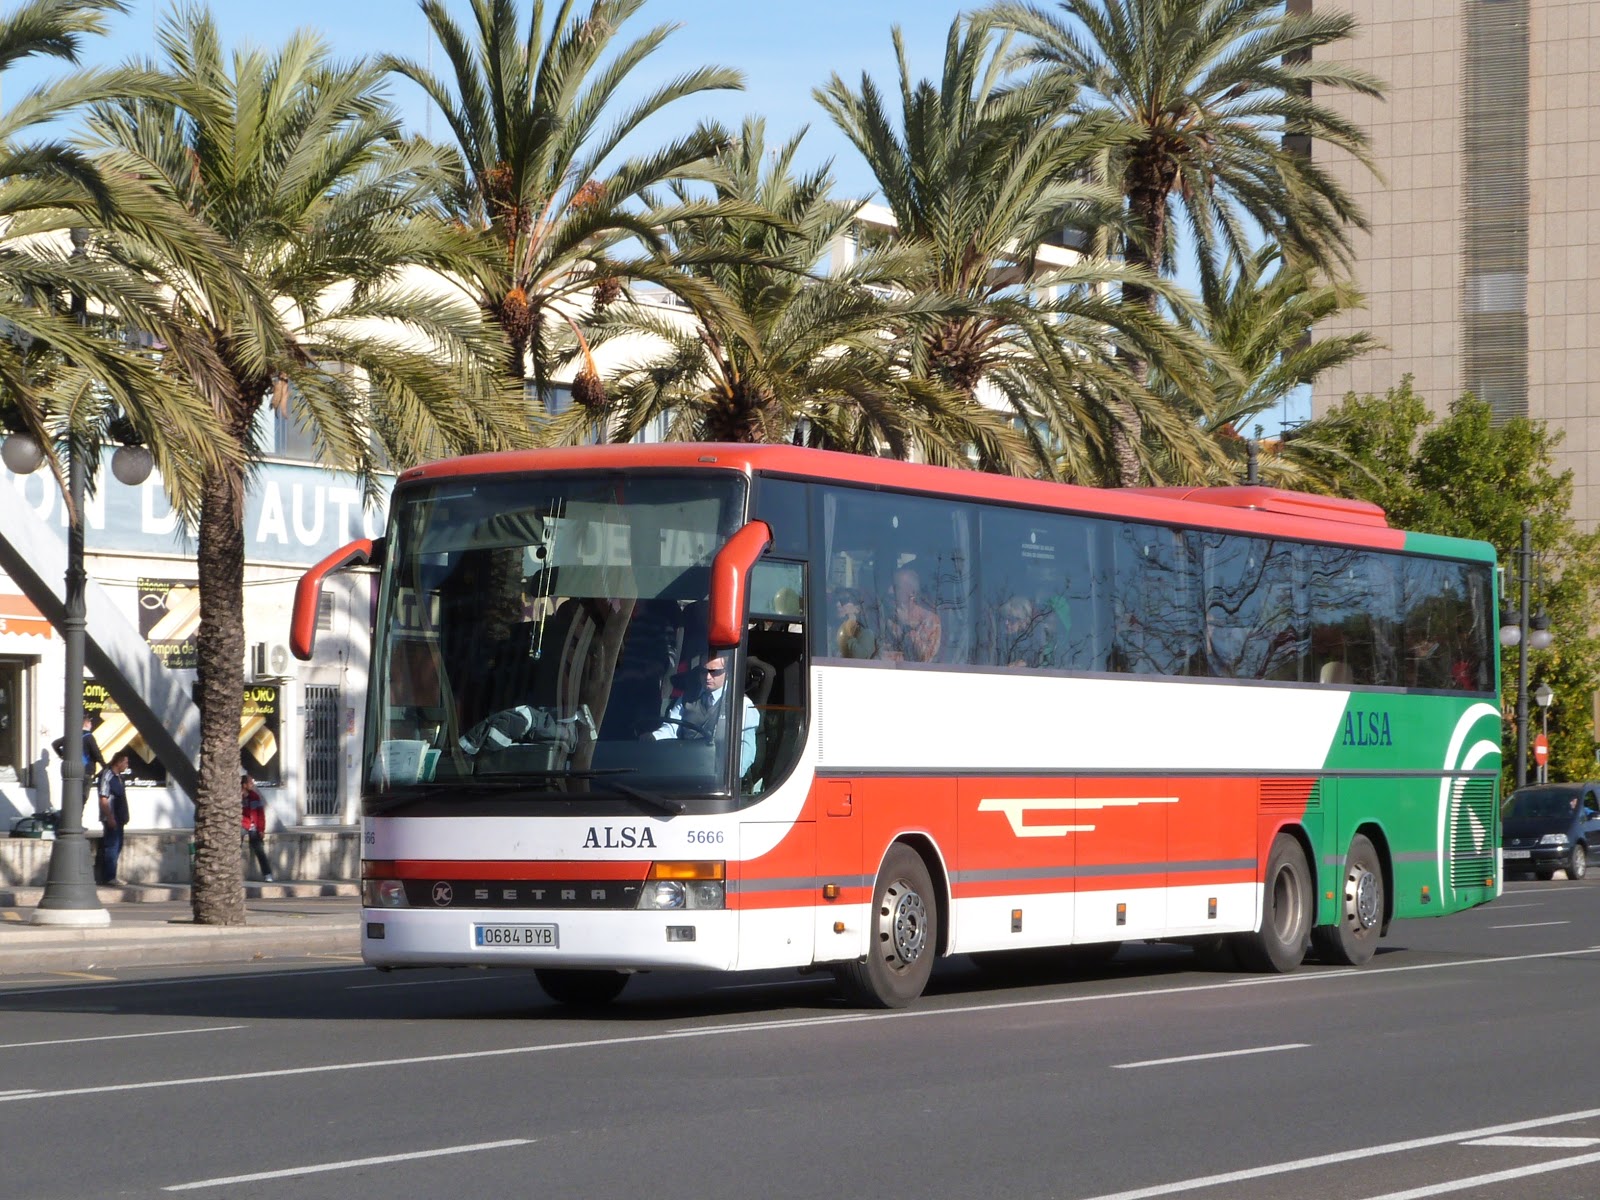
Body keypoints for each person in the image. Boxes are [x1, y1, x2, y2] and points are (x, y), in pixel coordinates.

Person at [650, 654, 759, 777]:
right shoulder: (687, 698)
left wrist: (729, 776)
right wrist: (652, 738)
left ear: (727, 672)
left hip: (719, 778)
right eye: (703, 671)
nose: (707, 677)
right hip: (684, 771)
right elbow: (671, 729)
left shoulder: (741, 704)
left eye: (715, 672)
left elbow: (746, 749)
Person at [882, 565, 941, 663]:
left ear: (912, 593)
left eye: (896, 587)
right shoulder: (887, 616)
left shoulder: (929, 620)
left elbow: (924, 658)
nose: (890, 591)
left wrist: (906, 626)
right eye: (890, 586)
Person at [96, 750, 131, 886]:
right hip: (112, 818)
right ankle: (109, 877)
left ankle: (112, 875)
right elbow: (103, 798)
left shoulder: (119, 778)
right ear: (119, 762)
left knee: (118, 845)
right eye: (126, 762)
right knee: (112, 846)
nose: (127, 765)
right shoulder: (107, 775)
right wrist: (110, 817)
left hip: (120, 817)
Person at [51, 715, 106, 800]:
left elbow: (55, 744)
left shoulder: (71, 735)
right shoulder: (88, 737)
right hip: (86, 770)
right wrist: (104, 765)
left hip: (71, 771)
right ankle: (78, 813)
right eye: (90, 722)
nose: (91, 724)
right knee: (83, 797)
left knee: (71, 797)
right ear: (87, 724)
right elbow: (96, 753)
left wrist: (62, 755)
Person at [241, 771, 275, 882]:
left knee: (259, 850)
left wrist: (261, 829)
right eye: (250, 783)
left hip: (254, 827)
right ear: (244, 785)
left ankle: (267, 874)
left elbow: (260, 815)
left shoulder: (254, 797)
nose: (252, 785)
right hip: (242, 825)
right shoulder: (236, 798)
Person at [833, 588, 878, 659]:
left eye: (844, 600)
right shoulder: (828, 629)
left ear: (857, 609)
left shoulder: (866, 634)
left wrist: (849, 630)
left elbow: (860, 657)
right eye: (835, 600)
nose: (838, 604)